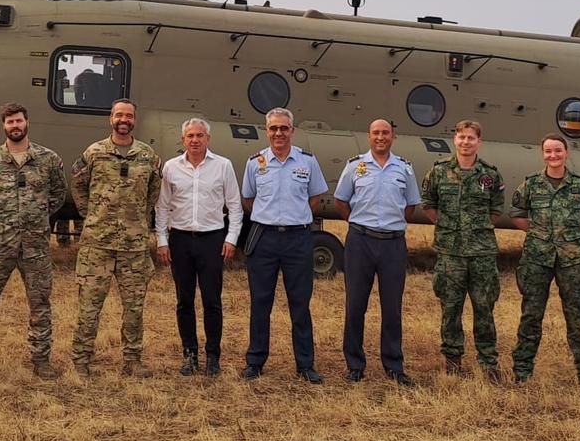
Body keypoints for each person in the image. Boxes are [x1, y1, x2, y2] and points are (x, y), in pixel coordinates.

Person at [0, 102, 68, 384]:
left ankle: (41, 360)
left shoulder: (47, 159)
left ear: (27, 122)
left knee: (40, 302)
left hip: (34, 246)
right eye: (10, 122)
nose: (15, 126)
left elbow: (58, 193)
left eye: (19, 121)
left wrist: (37, 217)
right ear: (4, 126)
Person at [70, 99, 163, 377]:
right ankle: (81, 360)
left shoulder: (147, 156)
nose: (124, 119)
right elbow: (77, 185)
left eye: (129, 115)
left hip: (134, 247)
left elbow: (152, 194)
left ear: (135, 120)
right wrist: (93, 216)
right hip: (97, 244)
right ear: (111, 118)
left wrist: (137, 218)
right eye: (119, 115)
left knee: (134, 308)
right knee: (89, 306)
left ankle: (132, 361)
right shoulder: (94, 153)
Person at [239, 108, 328, 383]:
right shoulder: (255, 163)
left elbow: (315, 198)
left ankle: (305, 364)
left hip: (297, 240)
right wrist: (270, 219)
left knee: (300, 304)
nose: (279, 133)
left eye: (284, 128)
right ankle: (255, 361)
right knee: (260, 303)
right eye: (274, 128)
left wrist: (293, 218)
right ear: (267, 131)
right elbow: (248, 200)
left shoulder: (307, 162)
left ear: (292, 131)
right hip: (264, 239)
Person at [509, 133, 580, 384]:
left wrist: (572, 235)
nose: (553, 155)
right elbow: (517, 215)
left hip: (572, 260)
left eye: (558, 151)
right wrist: (539, 233)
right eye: (548, 151)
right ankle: (522, 371)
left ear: (566, 153)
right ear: (543, 154)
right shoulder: (530, 184)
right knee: (531, 315)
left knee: (576, 317)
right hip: (537, 259)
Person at [334, 118, 424, 386]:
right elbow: (341, 201)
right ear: (369, 136)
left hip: (393, 244)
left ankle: (394, 364)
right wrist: (358, 222)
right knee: (355, 305)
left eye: (385, 133)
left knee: (392, 307)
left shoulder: (404, 169)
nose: (380, 137)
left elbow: (410, 205)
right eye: (375, 133)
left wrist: (392, 223)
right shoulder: (354, 167)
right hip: (360, 241)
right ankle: (354, 364)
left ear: (393, 137)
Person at [420, 119, 511, 380]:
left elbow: (496, 209)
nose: (466, 142)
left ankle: (488, 362)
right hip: (450, 252)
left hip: (481, 253)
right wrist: (449, 226)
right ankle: (453, 360)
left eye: (471, 138)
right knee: (451, 308)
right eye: (461, 138)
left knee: (484, 308)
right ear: (455, 140)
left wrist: (476, 228)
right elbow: (429, 204)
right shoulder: (438, 172)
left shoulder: (490, 174)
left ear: (478, 142)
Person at [155, 117, 243, 377]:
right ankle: (190, 354)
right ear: (183, 140)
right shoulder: (171, 168)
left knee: (212, 300)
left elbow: (235, 206)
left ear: (208, 139)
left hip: (211, 240)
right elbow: (162, 206)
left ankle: (213, 356)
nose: (195, 140)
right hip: (180, 240)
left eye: (199, 136)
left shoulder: (223, 166)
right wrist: (162, 240)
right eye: (190, 136)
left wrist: (231, 239)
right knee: (184, 301)